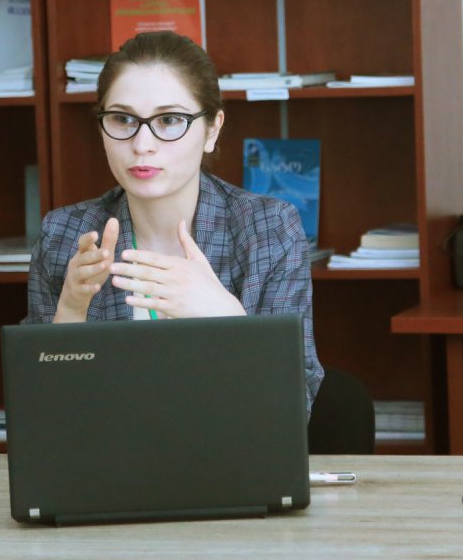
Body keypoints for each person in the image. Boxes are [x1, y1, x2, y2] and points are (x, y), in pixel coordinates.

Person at [24, 30, 324, 408]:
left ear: (212, 129)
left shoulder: (269, 228)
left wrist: (229, 319)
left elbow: (293, 407)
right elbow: (42, 413)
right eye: (122, 119)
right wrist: (70, 312)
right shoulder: (64, 235)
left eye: (169, 120)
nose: (142, 144)